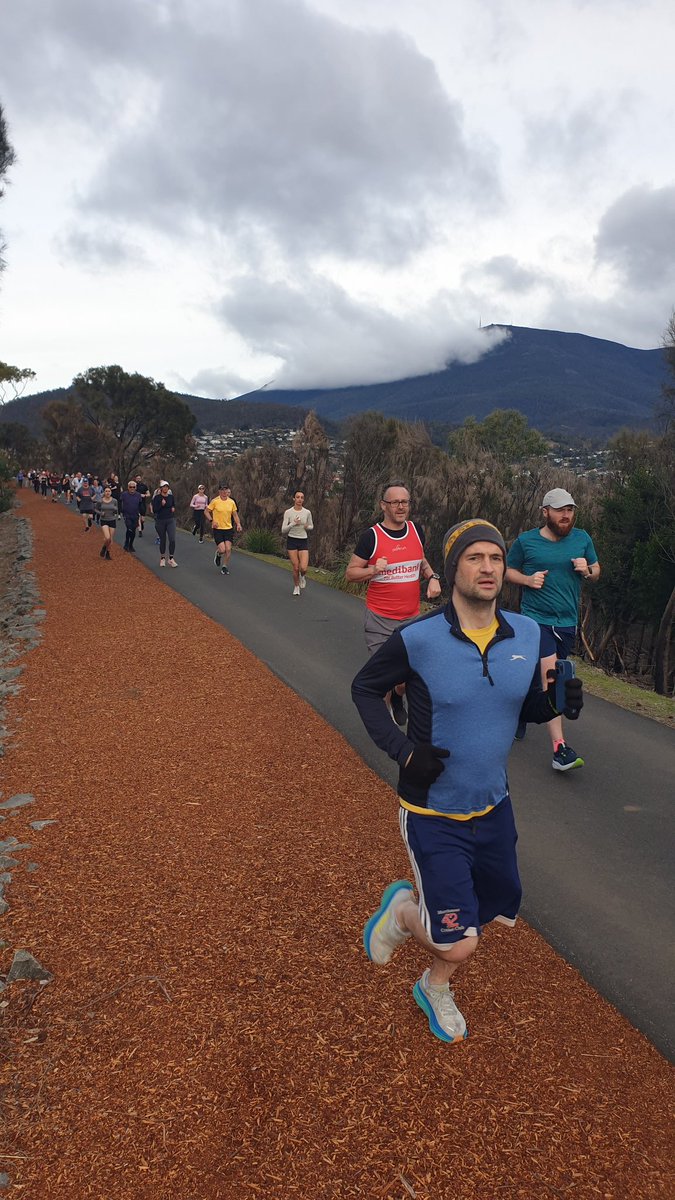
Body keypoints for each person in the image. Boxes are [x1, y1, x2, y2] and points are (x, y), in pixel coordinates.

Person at [352, 519, 584, 1045]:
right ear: (453, 567)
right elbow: (364, 689)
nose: (487, 567)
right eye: (475, 558)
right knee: (458, 942)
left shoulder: (527, 633)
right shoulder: (419, 639)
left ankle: (433, 972)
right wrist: (403, 750)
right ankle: (405, 917)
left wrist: (556, 703)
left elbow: (524, 708)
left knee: (493, 912)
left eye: (496, 559)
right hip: (434, 812)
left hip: (493, 807)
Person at [505, 487, 600, 772]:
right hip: (536, 620)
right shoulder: (527, 541)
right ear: (545, 512)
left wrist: (588, 570)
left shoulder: (582, 538)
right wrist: (527, 580)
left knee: (540, 677)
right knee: (553, 679)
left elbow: (597, 571)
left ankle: (523, 709)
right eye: (560, 510)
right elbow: (507, 571)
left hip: (567, 622)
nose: (566, 515)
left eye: (570, 510)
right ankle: (560, 749)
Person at [345, 482, 442, 725]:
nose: (401, 507)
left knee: (407, 676)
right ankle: (387, 722)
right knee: (388, 675)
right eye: (395, 502)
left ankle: (398, 698)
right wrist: (371, 569)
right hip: (380, 619)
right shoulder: (372, 537)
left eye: (405, 502)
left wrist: (432, 577)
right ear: (383, 506)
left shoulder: (416, 530)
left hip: (411, 619)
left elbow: (420, 560)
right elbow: (351, 573)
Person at [205, 483, 242, 575]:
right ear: (219, 491)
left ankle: (224, 566)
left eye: (226, 489)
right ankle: (218, 554)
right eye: (222, 490)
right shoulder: (215, 501)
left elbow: (235, 515)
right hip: (218, 529)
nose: (224, 491)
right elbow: (206, 511)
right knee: (222, 550)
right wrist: (212, 521)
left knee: (228, 549)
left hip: (228, 528)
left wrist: (238, 524)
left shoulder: (231, 502)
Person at [281, 490, 314, 595]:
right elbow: (283, 530)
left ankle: (302, 576)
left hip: (303, 540)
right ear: (294, 499)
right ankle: (296, 587)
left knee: (303, 568)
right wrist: (292, 524)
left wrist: (306, 526)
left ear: (303, 500)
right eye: (298, 497)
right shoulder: (288, 512)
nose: (300, 499)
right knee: (295, 567)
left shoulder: (307, 512)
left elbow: (311, 526)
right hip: (292, 540)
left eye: (302, 497)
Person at [151, 481, 177, 567]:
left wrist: (173, 508)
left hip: (170, 519)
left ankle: (171, 559)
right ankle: (162, 558)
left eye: (167, 487)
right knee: (163, 539)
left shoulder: (171, 497)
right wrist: (161, 505)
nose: (165, 488)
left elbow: (173, 505)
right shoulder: (157, 498)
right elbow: (154, 510)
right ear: (161, 488)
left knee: (172, 539)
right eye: (164, 487)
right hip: (160, 520)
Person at [120, 480, 144, 553]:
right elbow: (120, 503)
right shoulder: (124, 494)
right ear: (128, 487)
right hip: (127, 515)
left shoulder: (138, 495)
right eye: (130, 487)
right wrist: (121, 512)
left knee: (133, 531)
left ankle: (131, 545)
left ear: (136, 487)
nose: (132, 488)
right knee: (129, 528)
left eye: (133, 487)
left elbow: (141, 505)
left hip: (135, 515)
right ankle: (126, 543)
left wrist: (142, 515)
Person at [96, 485, 119, 560]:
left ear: (111, 492)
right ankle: (104, 547)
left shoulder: (114, 500)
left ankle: (108, 553)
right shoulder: (101, 500)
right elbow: (95, 509)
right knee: (107, 538)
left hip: (112, 520)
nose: (107, 492)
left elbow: (116, 510)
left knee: (111, 539)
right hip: (104, 520)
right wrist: (100, 513)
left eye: (109, 491)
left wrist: (115, 510)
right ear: (104, 492)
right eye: (106, 491)